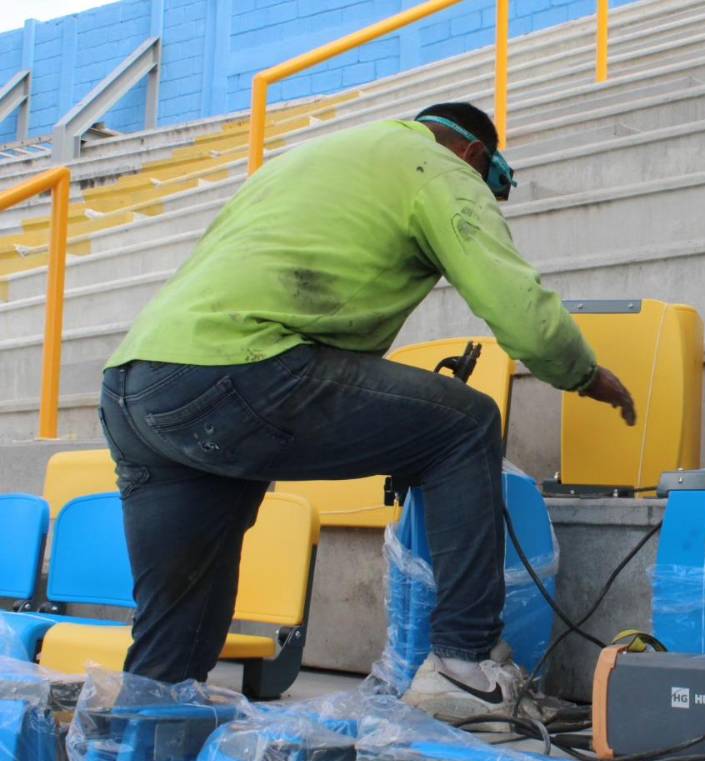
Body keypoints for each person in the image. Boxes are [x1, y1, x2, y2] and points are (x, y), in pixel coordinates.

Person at [98, 102, 635, 720]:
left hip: (138, 387)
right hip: (241, 368)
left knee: (172, 636)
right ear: (473, 155)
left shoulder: (315, 158)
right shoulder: (439, 167)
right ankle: (464, 664)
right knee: (465, 424)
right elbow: (516, 307)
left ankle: (139, 756)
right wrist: (584, 373)